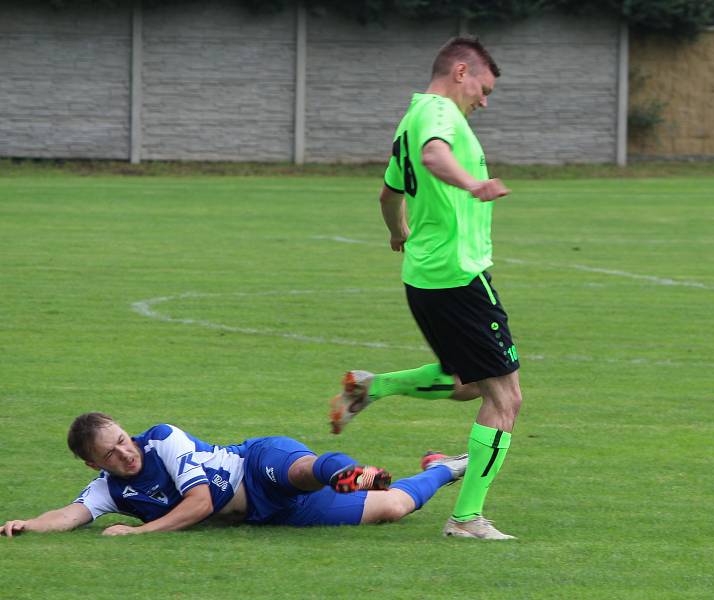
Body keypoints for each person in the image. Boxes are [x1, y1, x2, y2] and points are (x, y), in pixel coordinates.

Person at [329, 36, 522, 540]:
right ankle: (466, 519)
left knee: (467, 384)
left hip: (425, 276)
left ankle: (373, 387)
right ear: (462, 71)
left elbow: (388, 193)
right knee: (506, 400)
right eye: (485, 87)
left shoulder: (410, 117)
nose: (485, 100)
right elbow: (436, 157)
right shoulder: (438, 115)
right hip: (460, 275)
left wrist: (398, 232)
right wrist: (472, 184)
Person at [0, 412, 466, 537]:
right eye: (111, 453)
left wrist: (139, 533)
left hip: (256, 466)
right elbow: (71, 513)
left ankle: (345, 471)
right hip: (269, 517)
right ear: (93, 464)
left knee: (304, 470)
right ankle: (443, 469)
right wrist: (29, 524)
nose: (125, 452)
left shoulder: (162, 438)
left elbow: (201, 502)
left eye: (122, 438)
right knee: (396, 507)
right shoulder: (108, 489)